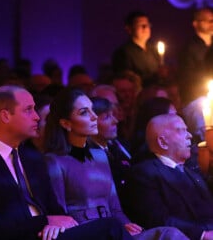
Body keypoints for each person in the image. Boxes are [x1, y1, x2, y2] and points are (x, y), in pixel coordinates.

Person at [0, 85, 132, 240]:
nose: (36, 117)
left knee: (121, 229)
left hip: (50, 235)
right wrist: (45, 221)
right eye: (28, 110)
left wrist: (55, 223)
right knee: (110, 228)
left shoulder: (32, 159)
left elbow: (56, 210)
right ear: (5, 116)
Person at [44, 87, 186, 239]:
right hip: (87, 233)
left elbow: (114, 207)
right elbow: (59, 213)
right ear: (66, 123)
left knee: (169, 233)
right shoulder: (54, 161)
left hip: (115, 230)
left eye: (93, 110)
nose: (94, 117)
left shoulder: (100, 156)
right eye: (84, 112)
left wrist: (125, 224)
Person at [127, 114, 213, 240]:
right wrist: (202, 235)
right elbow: (158, 220)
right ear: (162, 142)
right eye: (181, 130)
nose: (189, 135)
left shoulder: (192, 171)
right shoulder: (144, 173)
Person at [111, 11, 160, 82]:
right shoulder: (123, 53)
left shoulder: (153, 49)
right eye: (141, 25)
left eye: (147, 25)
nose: (146, 28)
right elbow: (126, 80)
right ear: (129, 29)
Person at [178, 7, 213, 106]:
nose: (212, 23)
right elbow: (187, 76)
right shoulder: (189, 47)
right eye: (208, 21)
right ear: (195, 23)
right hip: (197, 98)